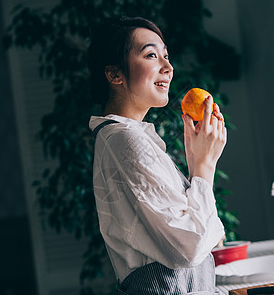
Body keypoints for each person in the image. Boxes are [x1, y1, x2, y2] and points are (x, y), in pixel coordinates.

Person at [88, 16, 227, 294]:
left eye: (166, 55)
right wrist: (204, 167)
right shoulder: (126, 141)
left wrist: (196, 163)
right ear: (115, 74)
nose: (168, 67)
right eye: (151, 55)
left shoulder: (130, 138)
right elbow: (190, 247)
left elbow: (208, 239)